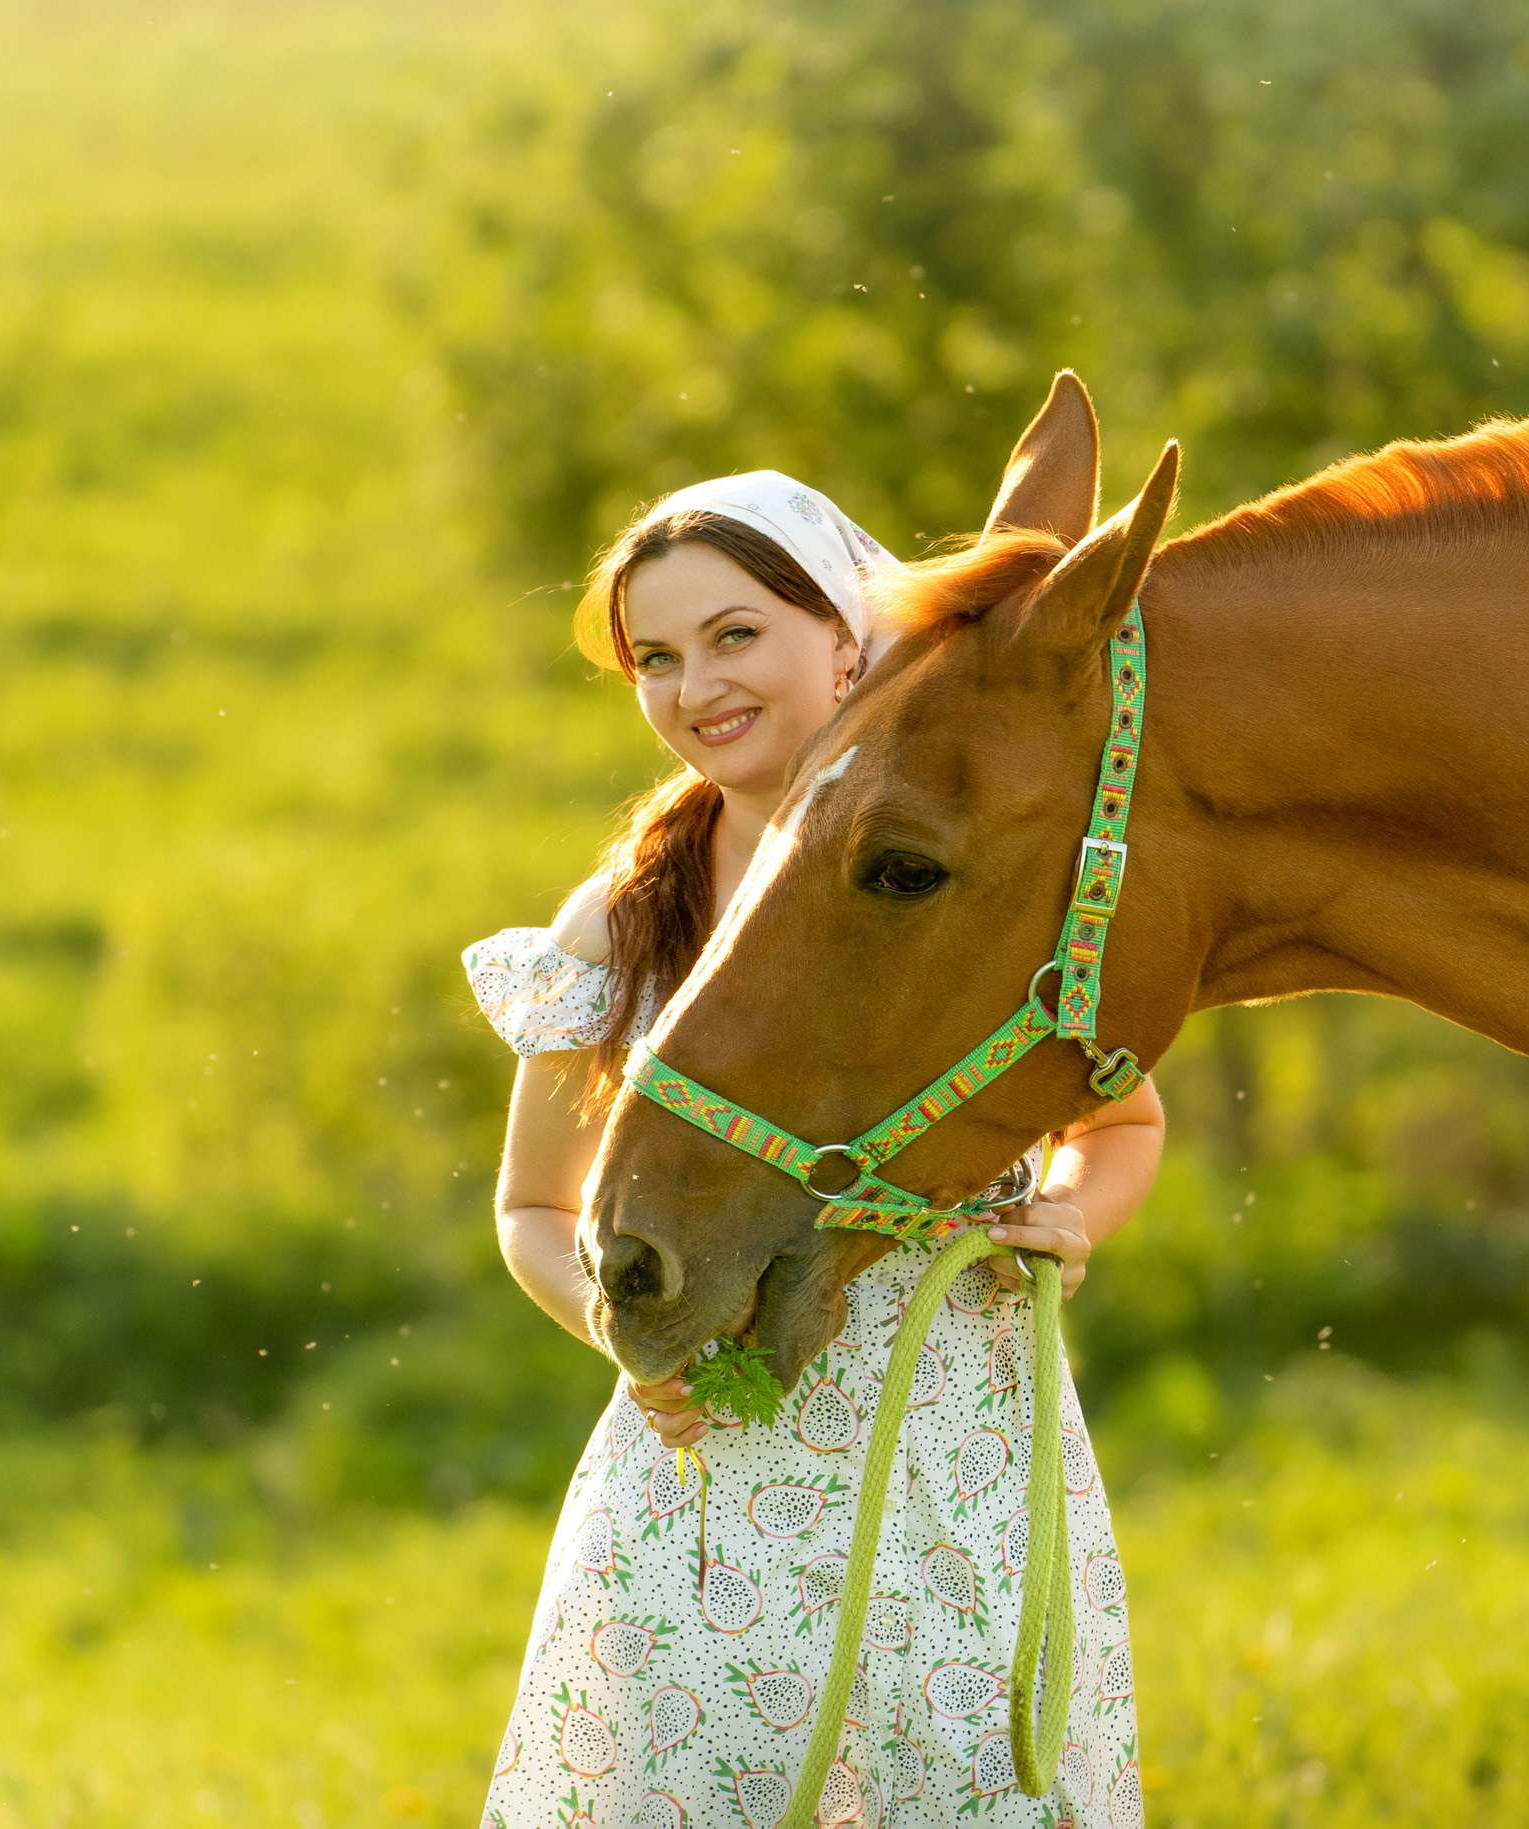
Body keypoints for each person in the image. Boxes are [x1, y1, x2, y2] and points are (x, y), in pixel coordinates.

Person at [462, 471, 1160, 1829]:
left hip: (968, 1458)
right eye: (655, 657)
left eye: (735, 634)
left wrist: (1073, 1215)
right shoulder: (625, 915)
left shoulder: (957, 879)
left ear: (844, 629)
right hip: (720, 1476)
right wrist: (624, 1334)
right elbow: (534, 1203)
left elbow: (1121, 1122)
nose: (692, 684)